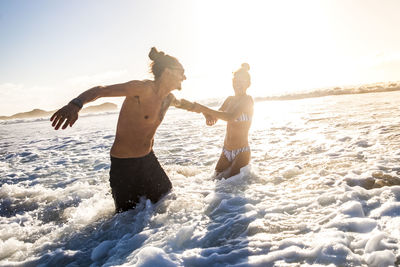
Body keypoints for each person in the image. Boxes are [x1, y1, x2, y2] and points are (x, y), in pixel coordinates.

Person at [50, 47, 197, 213]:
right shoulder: (141, 89)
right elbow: (101, 91)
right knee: (126, 221)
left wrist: (209, 114)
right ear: (168, 71)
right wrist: (76, 104)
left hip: (148, 161)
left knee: (168, 203)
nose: (184, 77)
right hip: (124, 166)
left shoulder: (168, 98)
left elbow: (186, 104)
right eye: (181, 72)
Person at [192, 63, 254, 179]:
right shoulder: (229, 100)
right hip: (226, 151)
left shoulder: (247, 100)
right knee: (214, 181)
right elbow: (215, 117)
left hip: (242, 152)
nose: (238, 84)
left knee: (230, 187)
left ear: (248, 84)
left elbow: (230, 117)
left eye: (242, 81)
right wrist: (206, 115)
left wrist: (204, 109)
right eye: (236, 81)